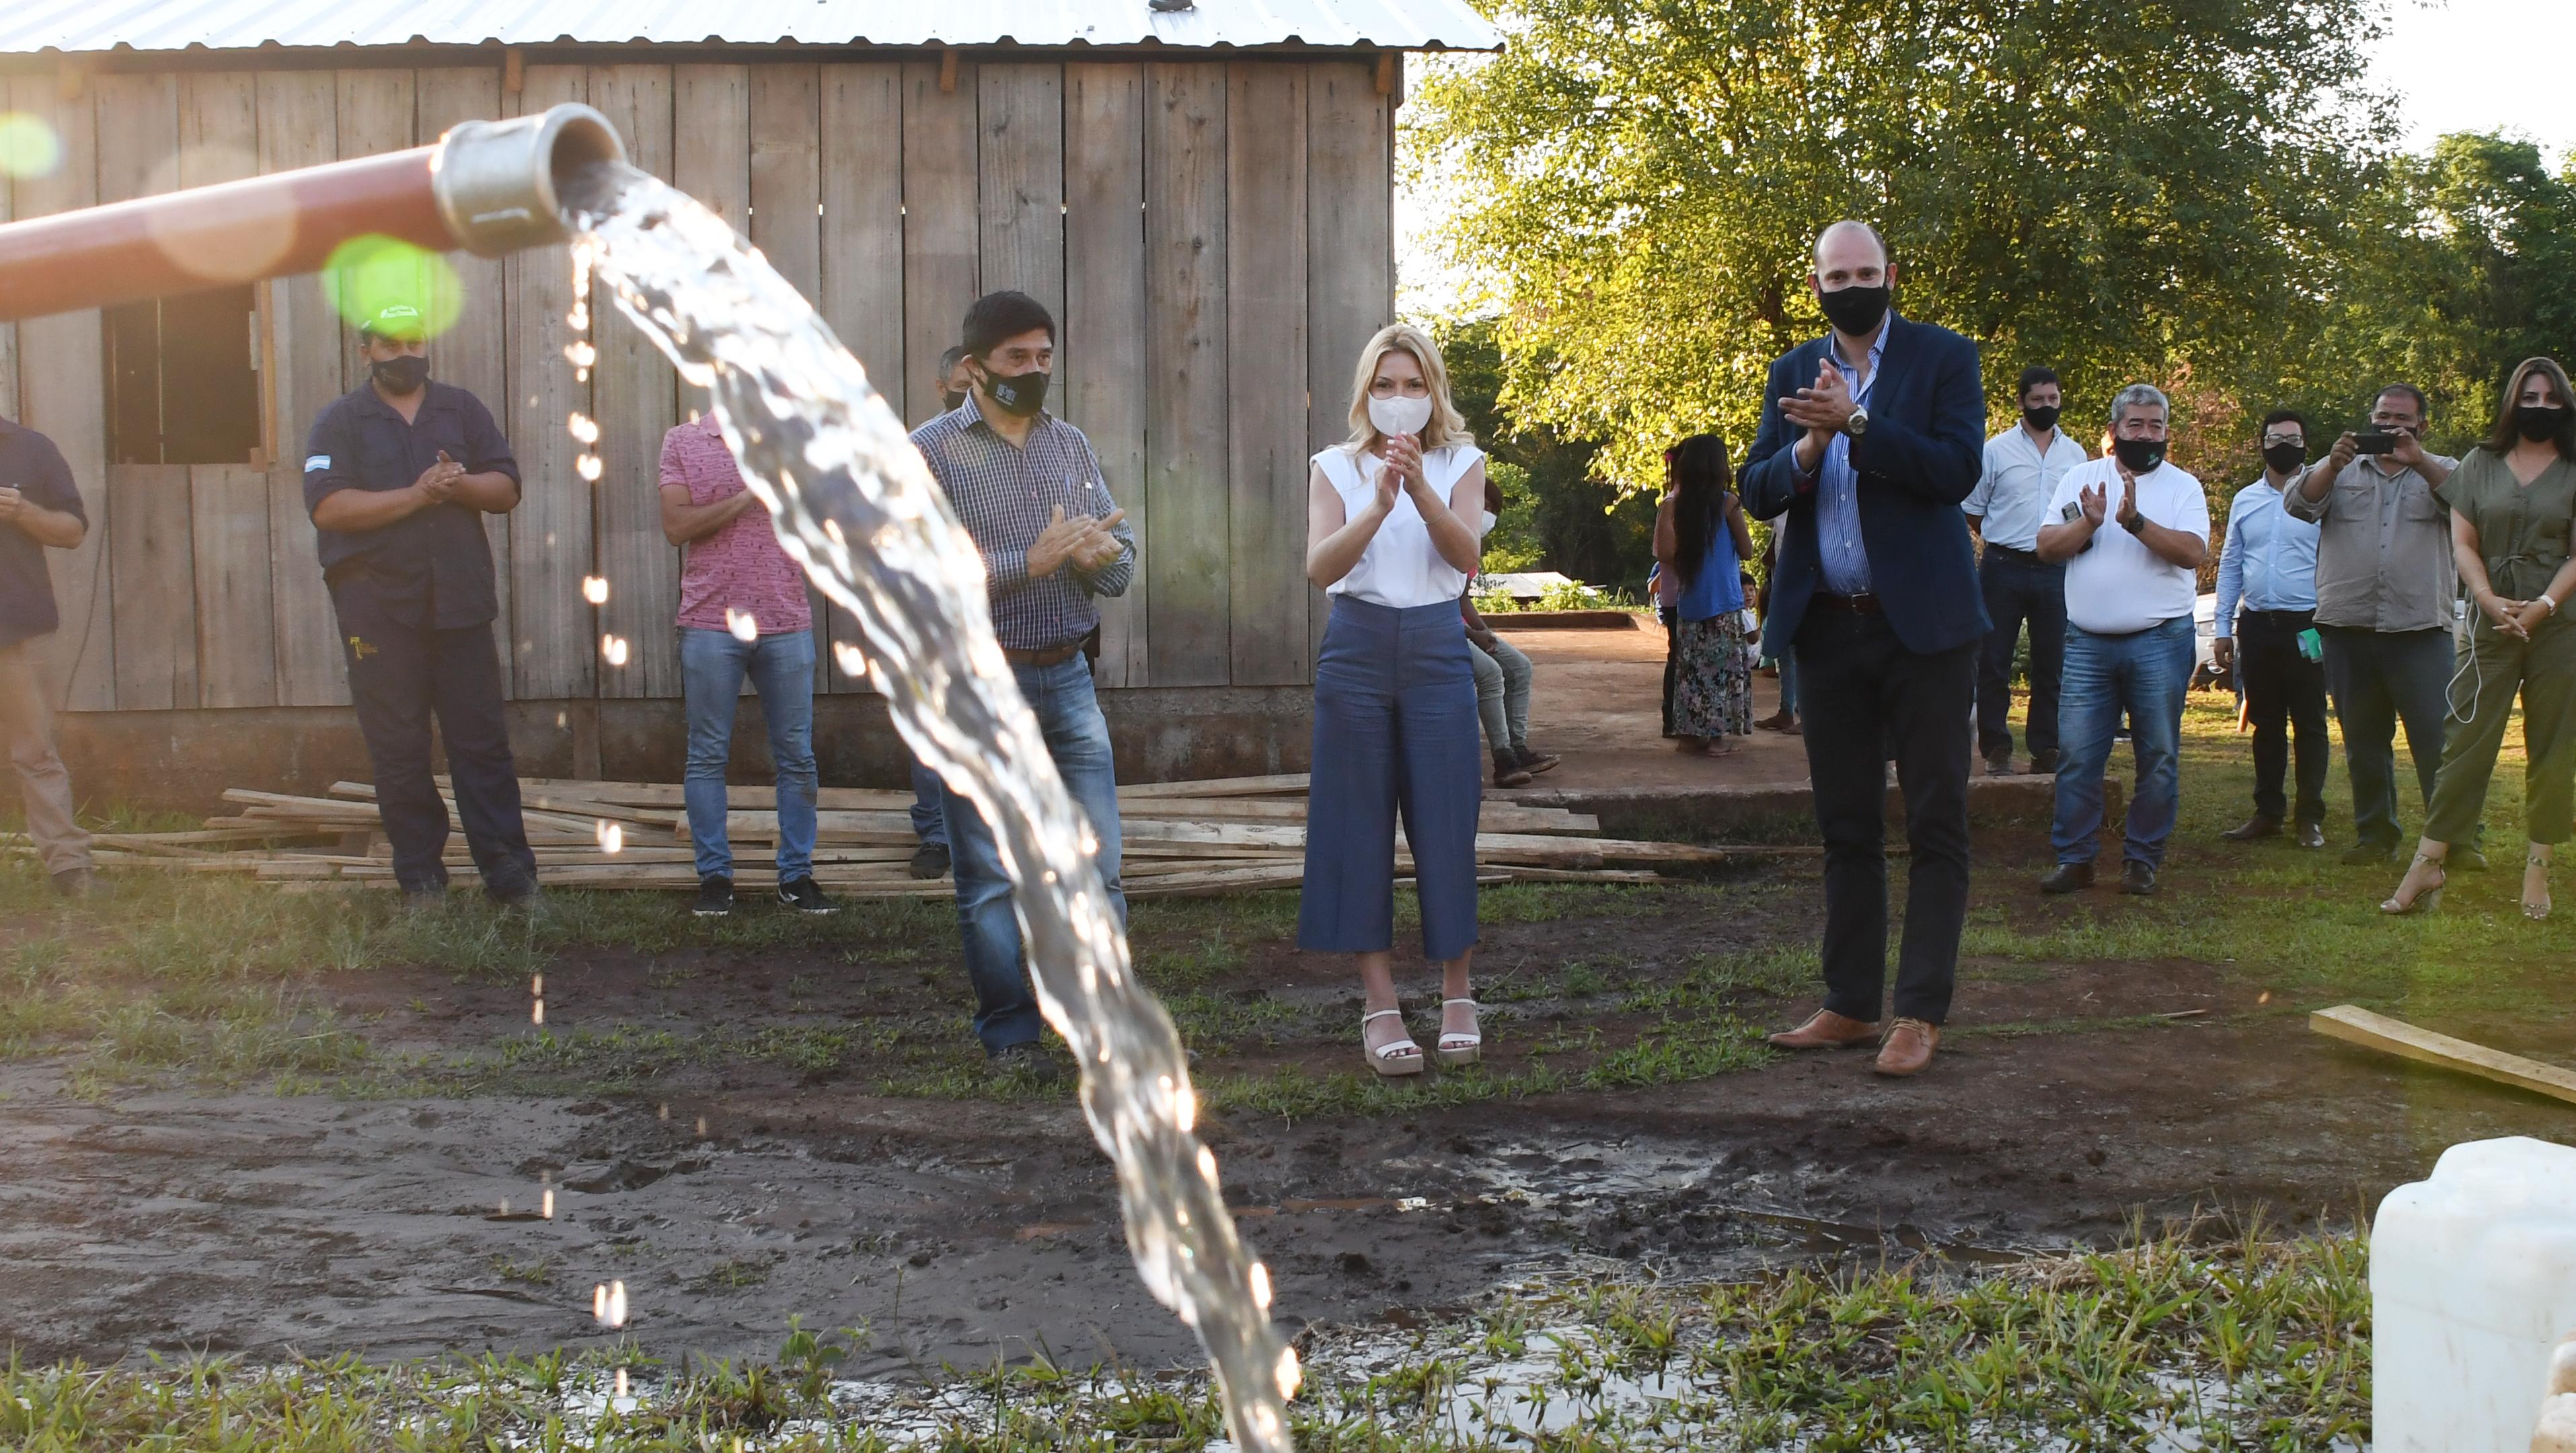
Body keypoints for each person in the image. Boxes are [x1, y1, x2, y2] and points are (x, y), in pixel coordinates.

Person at [1742, 221, 1987, 1079]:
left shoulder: (1943, 359)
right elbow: (1752, 485)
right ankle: (1848, 1005)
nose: (1850, 285)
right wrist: (1806, 449)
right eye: (1834, 275)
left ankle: (1917, 1013)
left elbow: (1954, 470)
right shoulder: (1789, 371)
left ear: (1890, 273)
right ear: (1815, 285)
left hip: (1922, 629)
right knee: (1844, 825)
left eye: (1864, 271)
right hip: (1827, 628)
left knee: (1933, 821)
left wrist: (1854, 424)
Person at [910, 291, 1135, 1078]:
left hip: (1068, 678)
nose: (1034, 371)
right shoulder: (928, 455)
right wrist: (1026, 564)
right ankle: (1011, 1036)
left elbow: (1121, 555)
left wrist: (1103, 561)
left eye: (1044, 357)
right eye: (1016, 359)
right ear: (973, 368)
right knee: (989, 878)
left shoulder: (1068, 444)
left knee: (1098, 866)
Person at [1301, 322, 1488, 1078]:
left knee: (1446, 820)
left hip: (1439, 648)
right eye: (1385, 386)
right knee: (1357, 825)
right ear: (1366, 394)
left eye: (1413, 385)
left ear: (1432, 391)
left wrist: (1418, 488)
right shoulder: (1334, 467)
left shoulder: (1460, 462)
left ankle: (1456, 994)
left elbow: (1466, 557)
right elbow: (1320, 568)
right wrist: (1377, 503)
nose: (1399, 399)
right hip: (1356, 648)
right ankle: (1379, 1002)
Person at [302, 302, 536, 905]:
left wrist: (456, 485)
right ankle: (422, 880)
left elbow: (506, 488)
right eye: (390, 346)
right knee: (399, 746)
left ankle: (509, 875)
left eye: (415, 344)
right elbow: (329, 507)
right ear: (365, 353)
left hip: (460, 602)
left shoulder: (460, 408)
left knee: (480, 743)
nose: (406, 355)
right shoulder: (340, 422)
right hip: (378, 608)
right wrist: (416, 495)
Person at [2378, 357, 2576, 921]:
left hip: (2559, 623)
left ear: (2563, 404)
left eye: (2550, 399)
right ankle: (2429, 861)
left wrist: (2542, 607)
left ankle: (2538, 869)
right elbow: (2463, 541)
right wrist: (2487, 600)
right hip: (2491, 620)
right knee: (2466, 742)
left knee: (2553, 746)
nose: (2539, 408)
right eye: (2529, 398)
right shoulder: (2480, 463)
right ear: (2513, 402)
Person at [2035, 385, 2212, 895]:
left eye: (2155, 426)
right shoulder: (2080, 480)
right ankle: (2075, 859)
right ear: (2113, 432)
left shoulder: (2183, 487)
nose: (2146, 434)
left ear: (2166, 433)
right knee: (2077, 756)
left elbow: (2191, 553)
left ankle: (2142, 860)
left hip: (2159, 641)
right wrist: (2088, 522)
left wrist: (2134, 521)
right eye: (2135, 425)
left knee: (2157, 755)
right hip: (2088, 643)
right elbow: (2048, 547)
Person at [659, 413, 836, 918]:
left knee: (797, 755)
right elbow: (676, 526)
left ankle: (797, 878)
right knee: (708, 753)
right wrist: (748, 493)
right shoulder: (684, 441)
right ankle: (715, 878)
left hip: (786, 619)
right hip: (710, 622)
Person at [2285, 384, 2462, 866]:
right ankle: (2375, 836)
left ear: (2422, 426)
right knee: (2364, 742)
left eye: (2401, 419)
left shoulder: (2445, 469)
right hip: (2348, 626)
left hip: (2421, 628)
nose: (2389, 427)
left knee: (2436, 741)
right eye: (2382, 416)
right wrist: (2331, 464)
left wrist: (2418, 460)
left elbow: (2474, 509)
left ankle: (2456, 841)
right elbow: (2298, 504)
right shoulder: (2340, 468)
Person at [1963, 365, 2087, 776]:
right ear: (2021, 402)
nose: (2047, 406)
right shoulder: (1995, 451)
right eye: (2038, 400)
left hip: (2056, 569)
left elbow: (2080, 514)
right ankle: (1996, 748)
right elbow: (1974, 512)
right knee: (1994, 661)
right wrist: (2007, 537)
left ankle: (2046, 747)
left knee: (2052, 662)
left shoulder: (2075, 455)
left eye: (2053, 399)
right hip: (2003, 566)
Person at [2212, 410, 2328, 848]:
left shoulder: (2323, 497)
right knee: (2265, 721)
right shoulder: (2245, 500)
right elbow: (2231, 563)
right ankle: (2268, 812)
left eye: (2293, 438)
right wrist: (2223, 625)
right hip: (2257, 625)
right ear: (2261, 444)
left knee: (2311, 721)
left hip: (2308, 627)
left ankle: (2309, 817)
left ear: (2306, 446)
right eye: (2275, 437)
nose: (2284, 445)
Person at [0, 412, 97, 897]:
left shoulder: (32, 449)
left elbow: (73, 531)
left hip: (12, 634)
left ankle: (69, 868)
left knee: (35, 752)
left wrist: (21, 512)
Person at [905, 346, 983, 881]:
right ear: (941, 389)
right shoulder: (923, 449)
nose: (968, 396)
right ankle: (936, 832)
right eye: (960, 385)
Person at [1653, 434, 1756, 755]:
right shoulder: (1728, 502)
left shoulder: (1671, 506)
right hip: (1724, 600)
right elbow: (1748, 550)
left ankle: (1689, 735)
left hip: (1691, 602)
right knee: (1722, 670)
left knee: (1691, 670)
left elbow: (1665, 553)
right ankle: (1716, 739)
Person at [1461, 591, 1558, 786]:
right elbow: (1437, 607)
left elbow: (1462, 598)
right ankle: (1504, 759)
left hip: (1461, 627)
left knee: (1520, 667)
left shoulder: (1470, 560)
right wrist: (1472, 634)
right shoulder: (1444, 559)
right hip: (1437, 628)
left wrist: (1485, 633)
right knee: (1491, 675)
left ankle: (1518, 750)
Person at [1753, 522, 1801, 735]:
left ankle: (1803, 715)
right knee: (1786, 650)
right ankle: (1787, 711)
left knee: (1802, 652)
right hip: (1782, 584)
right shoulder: (1782, 504)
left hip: (1800, 584)